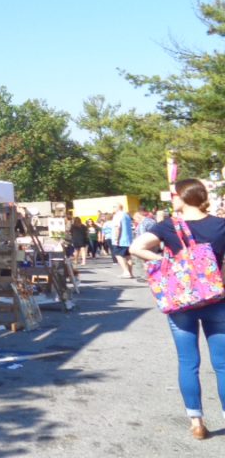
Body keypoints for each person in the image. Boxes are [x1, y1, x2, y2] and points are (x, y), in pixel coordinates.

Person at [129, 178, 225, 440]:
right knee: (222, 364)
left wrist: (168, 263)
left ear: (182, 197)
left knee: (188, 362)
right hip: (217, 300)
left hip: (181, 301)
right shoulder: (220, 225)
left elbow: (136, 248)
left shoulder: (169, 226)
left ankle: (196, 422)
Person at [111, 204, 134, 278]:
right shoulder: (126, 215)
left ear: (117, 208)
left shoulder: (118, 215)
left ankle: (126, 272)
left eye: (113, 207)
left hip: (121, 240)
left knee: (118, 255)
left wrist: (116, 239)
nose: (113, 209)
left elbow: (117, 227)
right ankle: (130, 273)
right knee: (128, 256)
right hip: (128, 239)